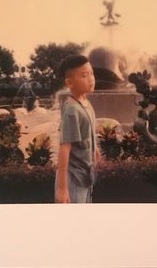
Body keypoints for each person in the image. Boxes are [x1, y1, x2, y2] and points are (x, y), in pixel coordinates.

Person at [55, 55, 101, 203]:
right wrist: (62, 189)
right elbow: (64, 148)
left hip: (86, 174)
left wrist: (95, 149)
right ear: (69, 82)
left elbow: (87, 131)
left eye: (92, 73)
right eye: (84, 75)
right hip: (73, 178)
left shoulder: (85, 102)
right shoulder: (71, 110)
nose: (91, 78)